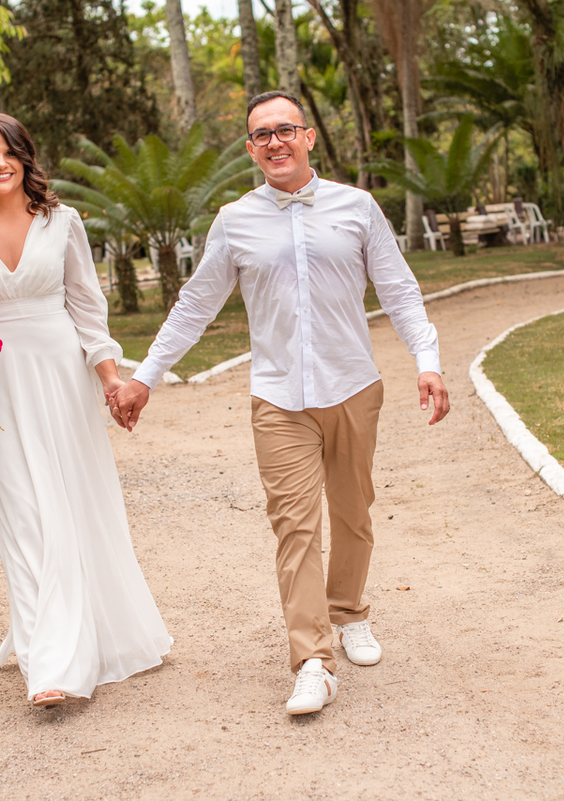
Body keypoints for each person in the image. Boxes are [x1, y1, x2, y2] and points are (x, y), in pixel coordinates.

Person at [110, 91, 449, 716]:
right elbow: (195, 304)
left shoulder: (358, 207)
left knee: (352, 514)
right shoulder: (234, 220)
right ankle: (312, 660)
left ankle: (349, 613)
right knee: (295, 528)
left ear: (309, 137)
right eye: (261, 135)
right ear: (250, 149)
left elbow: (400, 291)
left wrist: (427, 363)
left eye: (284, 130)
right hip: (278, 398)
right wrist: (145, 375)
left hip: (352, 386)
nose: (274, 142)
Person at [0, 112, 172, 707]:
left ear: (26, 157)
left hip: (62, 376)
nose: (0, 163)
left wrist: (112, 381)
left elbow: (88, 310)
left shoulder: (62, 223)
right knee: (22, 511)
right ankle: (48, 655)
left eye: (9, 152)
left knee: (71, 502)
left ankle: (61, 657)